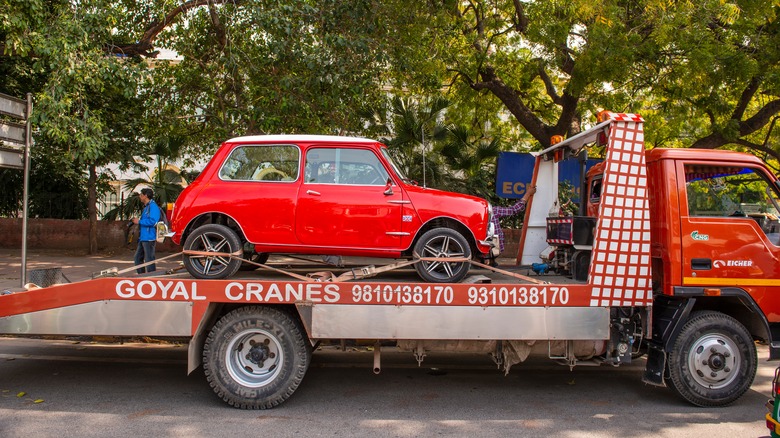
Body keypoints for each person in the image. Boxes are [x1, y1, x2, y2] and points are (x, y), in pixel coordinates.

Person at [490, 185, 536, 266]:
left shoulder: (493, 211)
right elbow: (514, 210)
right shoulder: (494, 211)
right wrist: (528, 194)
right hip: (492, 249)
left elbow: (513, 210)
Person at [132, 188, 161, 274]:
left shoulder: (153, 207)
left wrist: (139, 221)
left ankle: (151, 276)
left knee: (149, 259)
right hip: (143, 237)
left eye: (141, 195)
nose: (140, 197)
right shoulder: (147, 207)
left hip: (149, 237)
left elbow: (153, 221)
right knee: (138, 258)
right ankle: (141, 275)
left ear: (145, 196)